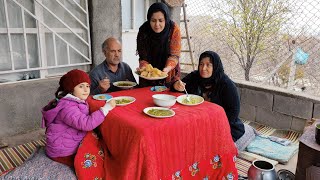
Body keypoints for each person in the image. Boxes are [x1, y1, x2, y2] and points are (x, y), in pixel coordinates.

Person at [172, 51, 256, 151]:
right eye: (201, 64)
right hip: (199, 124)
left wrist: (214, 129)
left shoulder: (226, 85)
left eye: (208, 65)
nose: (203, 68)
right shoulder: (194, 77)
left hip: (224, 126)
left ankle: (248, 132)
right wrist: (176, 85)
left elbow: (233, 112)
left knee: (218, 150)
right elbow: (176, 88)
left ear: (215, 66)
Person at [41, 69, 116, 167]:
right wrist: (106, 108)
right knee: (96, 162)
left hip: (69, 141)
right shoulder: (67, 107)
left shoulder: (75, 100)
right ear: (71, 89)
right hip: (63, 152)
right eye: (81, 86)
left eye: (87, 86)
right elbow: (86, 124)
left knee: (99, 146)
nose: (86, 90)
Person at [136, 2, 181, 87]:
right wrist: (144, 68)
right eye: (153, 20)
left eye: (161, 20)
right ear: (149, 19)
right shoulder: (143, 30)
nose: (157, 25)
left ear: (166, 19)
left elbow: (174, 55)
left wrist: (167, 68)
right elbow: (143, 57)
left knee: (167, 96)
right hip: (148, 75)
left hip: (169, 71)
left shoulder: (174, 29)